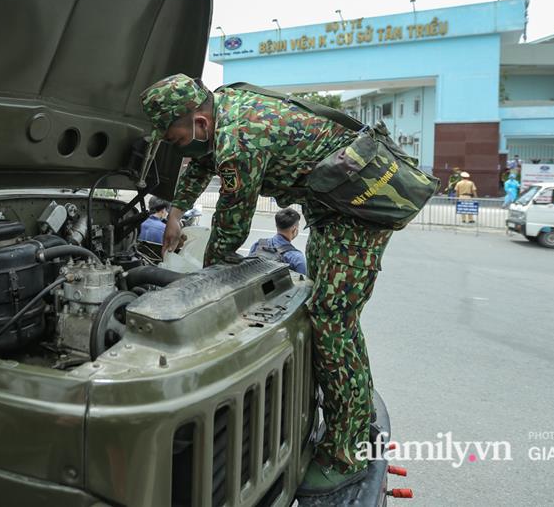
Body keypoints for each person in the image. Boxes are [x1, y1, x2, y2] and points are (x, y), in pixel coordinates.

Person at [141, 74, 393, 496]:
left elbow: (232, 220)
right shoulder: (221, 111)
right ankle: (357, 412)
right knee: (335, 317)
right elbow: (201, 164)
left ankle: (347, 454)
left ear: (200, 123)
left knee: (332, 322)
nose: (176, 146)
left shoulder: (240, 139)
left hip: (356, 212)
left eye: (176, 138)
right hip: (334, 208)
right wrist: (176, 214)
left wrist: (204, 279)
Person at [248, 207, 308, 275]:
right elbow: (302, 281)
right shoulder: (296, 258)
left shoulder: (257, 245)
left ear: (277, 225)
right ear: (294, 229)